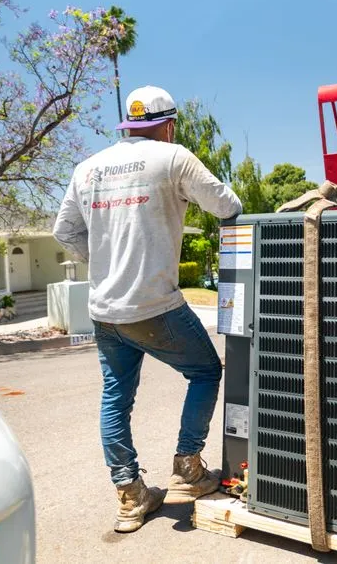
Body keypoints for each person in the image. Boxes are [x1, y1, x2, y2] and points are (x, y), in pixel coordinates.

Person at [53, 85, 242, 534]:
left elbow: (64, 231)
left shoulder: (88, 168)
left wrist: (106, 262)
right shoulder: (172, 157)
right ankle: (188, 466)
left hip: (105, 311)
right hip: (155, 306)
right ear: (169, 124)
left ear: (130, 124)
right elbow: (227, 206)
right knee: (205, 372)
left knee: (115, 397)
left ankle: (130, 495)